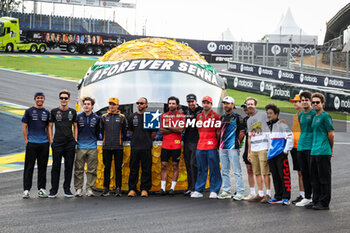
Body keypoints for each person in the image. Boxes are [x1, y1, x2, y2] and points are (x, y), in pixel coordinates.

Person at [191, 96, 222, 199]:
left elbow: (218, 132)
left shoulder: (216, 116)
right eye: (204, 102)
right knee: (201, 168)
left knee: (214, 168)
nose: (205, 104)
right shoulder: (198, 116)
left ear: (211, 104)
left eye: (207, 102)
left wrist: (215, 143)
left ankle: (214, 190)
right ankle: (199, 190)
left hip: (211, 145)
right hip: (200, 145)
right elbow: (199, 130)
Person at [48, 90, 78, 198]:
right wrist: (51, 140)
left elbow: (75, 126)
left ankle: (67, 189)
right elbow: (50, 126)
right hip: (57, 143)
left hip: (69, 143)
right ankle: (53, 190)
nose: (64, 100)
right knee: (55, 167)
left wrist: (75, 140)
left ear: (69, 99)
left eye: (66, 98)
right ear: (59, 99)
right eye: (62, 98)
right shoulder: (54, 111)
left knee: (69, 167)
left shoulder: (73, 112)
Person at [22, 92, 50, 199]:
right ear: (34, 99)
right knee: (29, 167)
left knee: (42, 167)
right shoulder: (28, 111)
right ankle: (26, 190)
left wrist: (48, 141)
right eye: (38, 98)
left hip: (43, 144)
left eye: (41, 98)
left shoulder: (46, 112)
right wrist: (26, 141)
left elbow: (48, 128)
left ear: (44, 99)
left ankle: (41, 189)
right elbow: (24, 126)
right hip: (32, 143)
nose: (40, 100)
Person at [127, 97, 157, 197]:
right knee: (133, 168)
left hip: (146, 147)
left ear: (146, 105)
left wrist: (147, 139)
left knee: (146, 169)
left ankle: (145, 189)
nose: (139, 105)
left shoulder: (150, 116)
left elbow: (154, 132)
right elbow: (130, 132)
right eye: (138, 103)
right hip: (135, 147)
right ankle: (132, 189)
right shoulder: (132, 116)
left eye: (142, 103)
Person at [265, 104, 293, 206]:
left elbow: (290, 138)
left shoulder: (282, 125)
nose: (269, 115)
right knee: (275, 177)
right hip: (271, 155)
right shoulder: (268, 125)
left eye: (271, 113)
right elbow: (269, 140)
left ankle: (286, 197)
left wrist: (285, 151)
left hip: (281, 154)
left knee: (284, 176)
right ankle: (278, 196)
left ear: (276, 114)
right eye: (267, 113)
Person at [217, 96, 245, 200]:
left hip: (233, 147)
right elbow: (219, 132)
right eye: (224, 103)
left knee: (236, 171)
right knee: (224, 170)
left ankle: (240, 191)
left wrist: (236, 143)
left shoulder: (238, 117)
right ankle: (226, 191)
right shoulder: (222, 117)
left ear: (233, 105)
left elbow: (242, 132)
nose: (226, 105)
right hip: (222, 147)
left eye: (228, 103)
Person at [309, 93, 334, 210]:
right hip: (314, 151)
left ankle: (324, 202)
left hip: (323, 151)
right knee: (314, 178)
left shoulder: (325, 116)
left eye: (317, 102)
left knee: (324, 178)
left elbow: (331, 134)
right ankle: (316, 200)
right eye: (313, 102)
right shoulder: (314, 117)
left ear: (323, 103)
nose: (315, 104)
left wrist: (330, 149)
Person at [157, 96, 185, 196]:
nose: (171, 105)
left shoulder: (181, 116)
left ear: (177, 105)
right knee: (164, 165)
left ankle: (172, 188)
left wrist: (168, 127)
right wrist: (174, 128)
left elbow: (180, 130)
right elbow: (161, 130)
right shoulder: (163, 116)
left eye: (173, 103)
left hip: (176, 145)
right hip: (166, 144)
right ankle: (162, 188)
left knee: (175, 165)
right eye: (170, 103)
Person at [246, 97, 271, 203]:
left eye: (252, 104)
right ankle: (260, 194)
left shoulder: (263, 115)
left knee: (265, 172)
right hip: (254, 149)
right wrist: (249, 152)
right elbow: (250, 137)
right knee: (257, 172)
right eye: (248, 104)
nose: (250, 106)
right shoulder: (249, 120)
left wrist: (269, 147)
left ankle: (268, 194)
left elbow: (270, 130)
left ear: (255, 105)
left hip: (263, 148)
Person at [100, 97, 127, 197]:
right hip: (106, 146)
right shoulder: (103, 117)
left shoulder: (122, 117)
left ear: (117, 106)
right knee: (106, 168)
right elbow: (102, 130)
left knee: (118, 168)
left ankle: (118, 188)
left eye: (114, 104)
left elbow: (124, 131)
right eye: (110, 104)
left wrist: (119, 140)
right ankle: (106, 188)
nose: (112, 106)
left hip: (118, 147)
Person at [74, 97, 100, 197]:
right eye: (85, 104)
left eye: (88, 104)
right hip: (80, 146)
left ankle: (89, 188)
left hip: (92, 147)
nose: (86, 106)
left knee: (92, 169)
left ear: (92, 106)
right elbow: (75, 131)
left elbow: (98, 132)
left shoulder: (97, 118)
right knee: (78, 169)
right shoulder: (78, 117)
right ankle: (78, 188)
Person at [295, 91, 315, 207]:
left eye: (306, 100)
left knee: (312, 173)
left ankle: (314, 197)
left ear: (310, 101)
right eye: (302, 100)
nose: (304, 102)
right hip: (301, 147)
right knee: (304, 172)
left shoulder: (314, 113)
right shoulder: (301, 114)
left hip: (311, 147)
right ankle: (307, 197)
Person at [182, 94, 202, 196]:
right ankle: (190, 187)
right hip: (187, 140)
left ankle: (195, 187)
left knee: (193, 164)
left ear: (196, 101)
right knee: (188, 165)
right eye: (189, 102)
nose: (190, 103)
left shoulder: (201, 110)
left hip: (197, 141)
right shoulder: (186, 111)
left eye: (192, 101)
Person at [289, 94, 305, 204]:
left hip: (303, 147)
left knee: (304, 172)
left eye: (297, 101)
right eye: (294, 102)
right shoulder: (295, 116)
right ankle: (302, 194)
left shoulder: (306, 115)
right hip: (294, 147)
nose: (294, 103)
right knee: (299, 172)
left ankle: (308, 195)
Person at [240, 101, 256, 200]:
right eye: (244, 107)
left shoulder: (259, 118)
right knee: (249, 170)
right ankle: (252, 192)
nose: (245, 109)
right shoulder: (244, 120)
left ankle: (263, 192)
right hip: (248, 147)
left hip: (259, 147)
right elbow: (243, 134)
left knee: (260, 171)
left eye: (247, 107)